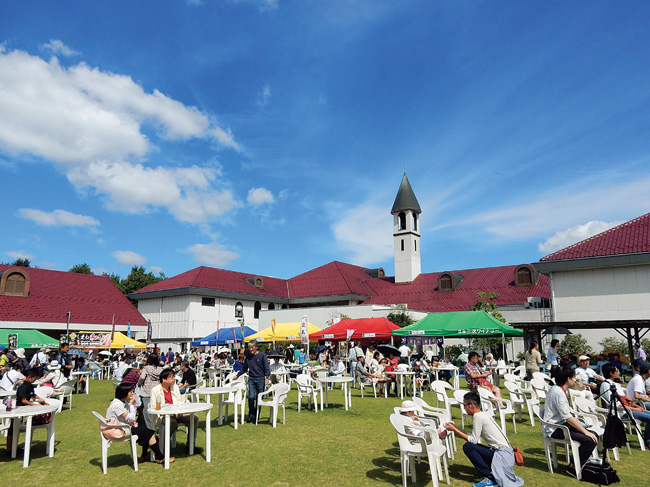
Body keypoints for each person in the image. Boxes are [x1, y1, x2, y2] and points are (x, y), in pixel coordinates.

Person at [444, 392, 523, 487]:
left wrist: (454, 429)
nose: (464, 408)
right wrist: (455, 427)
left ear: (471, 405)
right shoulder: (483, 414)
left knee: (468, 447)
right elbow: (473, 436)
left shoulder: (478, 417)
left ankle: (490, 477)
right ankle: (491, 473)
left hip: (502, 455)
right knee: (471, 446)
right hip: (508, 454)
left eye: (464, 405)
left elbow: (473, 440)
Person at [543, 365, 598, 477]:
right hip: (555, 428)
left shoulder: (558, 389)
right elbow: (567, 417)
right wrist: (584, 431)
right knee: (589, 439)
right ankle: (573, 467)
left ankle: (579, 462)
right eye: (573, 378)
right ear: (568, 379)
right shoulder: (558, 392)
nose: (575, 380)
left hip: (561, 425)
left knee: (593, 434)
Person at [106, 383, 172, 464]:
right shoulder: (117, 405)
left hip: (123, 426)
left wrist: (131, 404)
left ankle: (145, 455)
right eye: (130, 392)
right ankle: (160, 457)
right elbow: (131, 418)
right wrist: (131, 404)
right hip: (119, 429)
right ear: (124, 393)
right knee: (149, 432)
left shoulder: (121, 402)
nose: (132, 394)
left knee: (146, 427)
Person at [150, 368, 201, 454]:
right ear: (164, 379)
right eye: (171, 377)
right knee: (172, 422)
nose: (174, 378)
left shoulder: (175, 388)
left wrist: (180, 411)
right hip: (163, 417)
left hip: (177, 414)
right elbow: (153, 407)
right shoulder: (156, 390)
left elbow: (178, 402)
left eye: (174, 376)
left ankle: (190, 445)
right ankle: (162, 447)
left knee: (194, 418)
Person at [600, 363, 650, 448]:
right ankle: (648, 441)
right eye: (616, 371)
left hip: (628, 409)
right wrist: (634, 409)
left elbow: (626, 400)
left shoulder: (615, 384)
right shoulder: (606, 385)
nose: (618, 372)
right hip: (622, 413)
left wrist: (636, 406)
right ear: (611, 373)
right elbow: (615, 404)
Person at [234, 339, 270, 423]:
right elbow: (244, 368)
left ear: (256, 347)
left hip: (260, 379)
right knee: (251, 397)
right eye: (249, 348)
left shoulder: (262, 356)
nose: (250, 349)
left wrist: (267, 377)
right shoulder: (248, 357)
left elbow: (266, 368)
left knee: (259, 398)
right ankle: (251, 414)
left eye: (252, 347)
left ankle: (256, 415)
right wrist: (237, 375)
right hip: (252, 379)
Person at [137, 353, 165, 429]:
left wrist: (139, 383)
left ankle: (149, 429)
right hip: (157, 391)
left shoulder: (146, 368)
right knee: (156, 411)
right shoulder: (161, 369)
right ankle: (155, 425)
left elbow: (142, 377)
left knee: (146, 412)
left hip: (146, 391)